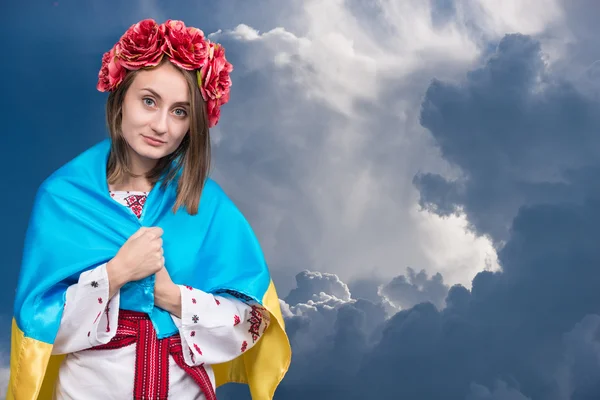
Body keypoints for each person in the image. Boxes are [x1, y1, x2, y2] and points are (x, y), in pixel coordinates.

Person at [6, 18, 291, 400]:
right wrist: (115, 274)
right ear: (120, 98)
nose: (161, 125)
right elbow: (41, 331)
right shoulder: (63, 197)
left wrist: (172, 296)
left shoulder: (208, 205)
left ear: (195, 124)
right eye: (149, 101)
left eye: (180, 112)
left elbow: (251, 321)